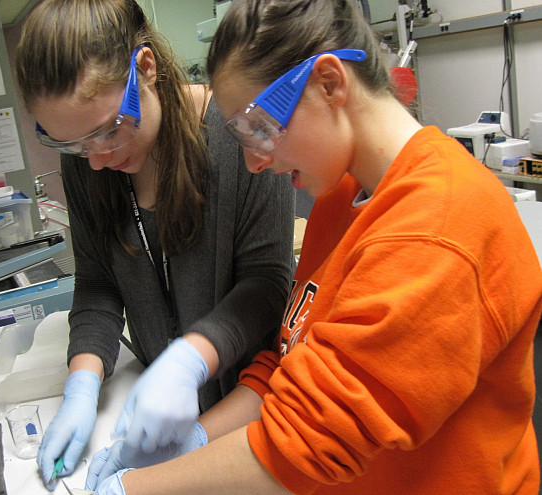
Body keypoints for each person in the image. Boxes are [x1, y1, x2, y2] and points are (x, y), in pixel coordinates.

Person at [86, 0, 542, 494]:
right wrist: (198, 439)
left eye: (259, 128)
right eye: (240, 134)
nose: (254, 163)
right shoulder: (343, 197)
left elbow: (308, 445)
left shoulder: (437, 226)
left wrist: (134, 490)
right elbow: (292, 363)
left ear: (329, 83)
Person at [14, 0, 295, 489]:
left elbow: (268, 285)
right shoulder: (89, 160)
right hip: (148, 404)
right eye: (73, 145)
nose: (95, 161)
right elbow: (99, 284)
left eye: (106, 132)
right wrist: (82, 385)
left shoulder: (239, 141)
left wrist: (189, 361)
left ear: (144, 68)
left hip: (251, 407)